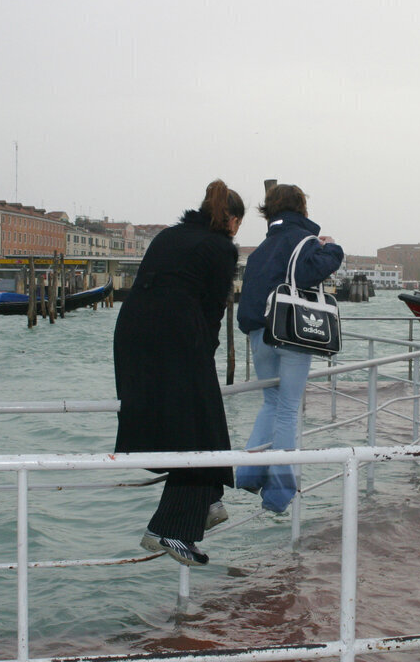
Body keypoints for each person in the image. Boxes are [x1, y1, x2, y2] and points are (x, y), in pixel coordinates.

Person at [113, 179, 245, 567]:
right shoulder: (221, 248)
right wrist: (207, 353)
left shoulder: (170, 236)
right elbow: (213, 309)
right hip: (177, 335)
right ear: (232, 220)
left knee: (184, 424)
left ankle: (207, 502)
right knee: (201, 430)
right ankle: (169, 529)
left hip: (132, 333)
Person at [235, 183, 344, 513]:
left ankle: (250, 473)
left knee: (271, 403)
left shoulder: (260, 249)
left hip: (259, 334)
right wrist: (333, 248)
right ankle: (280, 493)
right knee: (288, 408)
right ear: (302, 208)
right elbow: (313, 270)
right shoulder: (303, 241)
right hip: (292, 335)